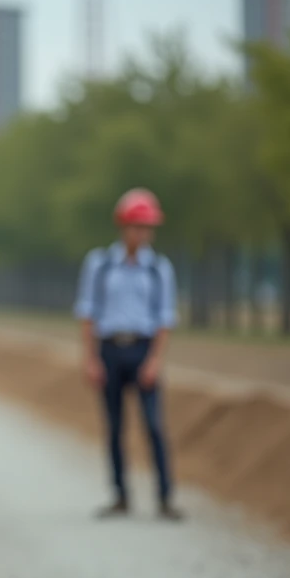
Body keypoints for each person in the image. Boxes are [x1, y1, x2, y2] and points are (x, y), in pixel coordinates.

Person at [73, 188, 181, 521]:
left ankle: (165, 497)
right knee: (114, 426)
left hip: (143, 350)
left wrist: (154, 360)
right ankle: (120, 495)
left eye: (147, 227)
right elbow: (88, 313)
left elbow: (165, 318)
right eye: (137, 226)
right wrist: (91, 359)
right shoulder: (100, 265)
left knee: (153, 424)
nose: (142, 233)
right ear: (123, 226)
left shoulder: (159, 269)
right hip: (109, 350)